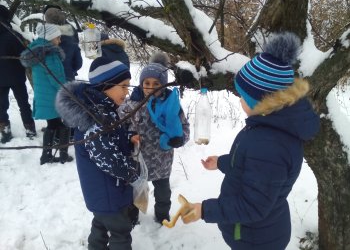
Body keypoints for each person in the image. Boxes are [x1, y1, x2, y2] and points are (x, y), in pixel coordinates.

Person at [181, 32, 320, 250]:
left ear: (262, 103)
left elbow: (253, 207)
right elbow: (250, 166)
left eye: (243, 97)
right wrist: (221, 163)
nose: (240, 101)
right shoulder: (270, 128)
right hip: (258, 232)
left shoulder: (271, 145)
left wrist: (204, 210)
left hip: (256, 239)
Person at [55, 57, 140, 250]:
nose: (127, 93)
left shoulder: (102, 111)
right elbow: (108, 159)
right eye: (124, 86)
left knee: (101, 224)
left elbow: (110, 141)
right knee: (120, 231)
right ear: (105, 86)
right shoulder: (95, 120)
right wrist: (132, 171)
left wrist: (127, 139)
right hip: (109, 192)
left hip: (102, 193)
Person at [118, 52, 190, 224]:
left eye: (156, 83)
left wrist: (180, 139)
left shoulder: (171, 105)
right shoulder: (130, 105)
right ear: (141, 83)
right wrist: (128, 137)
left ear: (164, 85)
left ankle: (162, 216)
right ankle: (132, 217)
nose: (151, 87)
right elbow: (119, 127)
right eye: (147, 83)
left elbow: (184, 127)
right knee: (135, 192)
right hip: (137, 160)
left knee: (163, 193)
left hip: (161, 161)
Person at [20, 23, 73, 164]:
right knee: (61, 126)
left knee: (52, 125)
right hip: (52, 97)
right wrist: (66, 91)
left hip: (44, 95)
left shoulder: (36, 52)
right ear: (50, 37)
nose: (59, 41)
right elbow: (56, 77)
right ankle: (62, 155)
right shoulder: (50, 53)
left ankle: (47, 155)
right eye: (58, 38)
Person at [0, 5, 36, 143]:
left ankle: (5, 130)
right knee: (23, 103)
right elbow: (24, 55)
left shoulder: (12, 34)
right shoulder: (13, 35)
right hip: (16, 76)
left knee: (1, 105)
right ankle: (29, 128)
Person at [44, 5, 83, 82]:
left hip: (49, 77)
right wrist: (72, 70)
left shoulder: (44, 32)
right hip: (68, 74)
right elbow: (78, 60)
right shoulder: (70, 28)